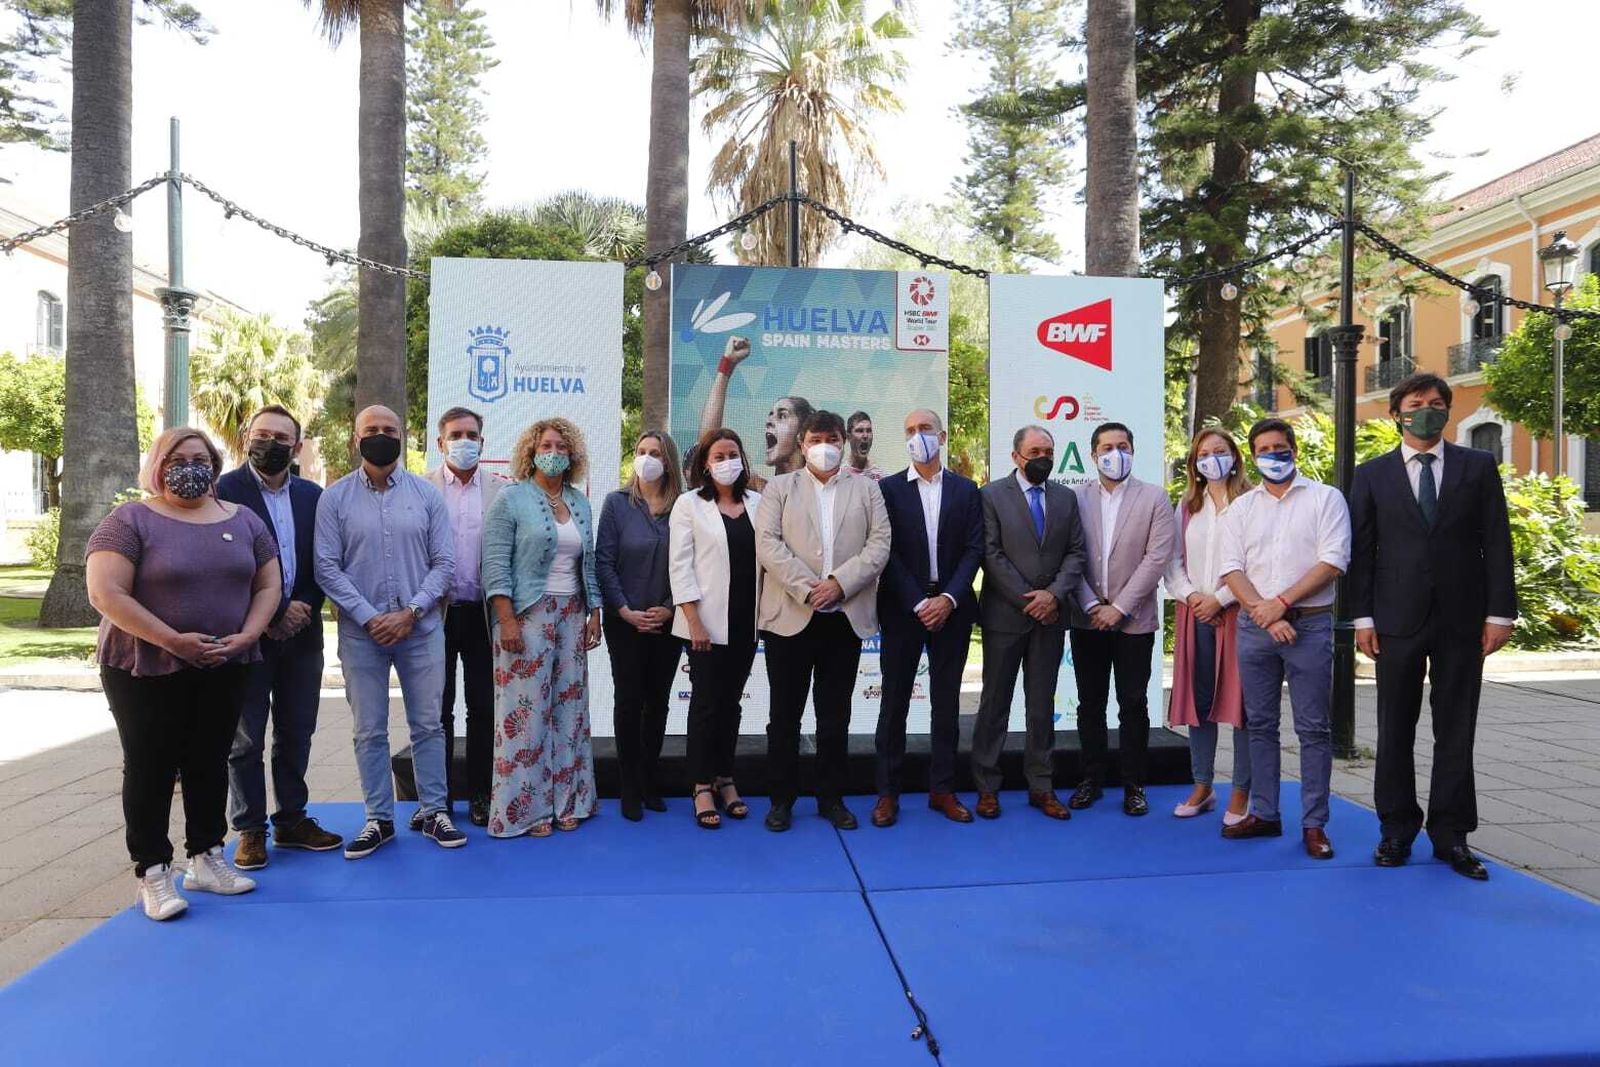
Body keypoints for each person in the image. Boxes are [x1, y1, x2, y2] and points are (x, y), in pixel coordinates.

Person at [86, 427, 281, 921]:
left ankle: (206, 856)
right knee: (150, 765)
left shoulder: (244, 520)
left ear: (214, 466)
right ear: (157, 465)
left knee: (209, 759)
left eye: (200, 458)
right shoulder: (129, 520)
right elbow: (106, 592)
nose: (189, 467)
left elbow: (268, 585)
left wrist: (249, 635)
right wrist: (173, 640)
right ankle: (153, 871)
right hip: (145, 664)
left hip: (224, 661)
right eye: (177, 459)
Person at [1351, 373, 1517, 881]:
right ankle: (1396, 829)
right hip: (1395, 621)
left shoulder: (1478, 466)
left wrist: (1500, 614)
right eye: (1417, 402)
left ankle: (1452, 835)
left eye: (1437, 402)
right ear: (1396, 413)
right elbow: (1362, 552)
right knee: (1394, 728)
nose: (1428, 409)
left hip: (1463, 620)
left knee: (1456, 729)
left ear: (1448, 410)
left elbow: (1497, 541)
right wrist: (1363, 618)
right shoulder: (1371, 475)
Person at [315, 405, 464, 858]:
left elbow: (445, 563)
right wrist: (368, 616)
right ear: (355, 437)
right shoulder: (334, 499)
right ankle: (378, 819)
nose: (381, 435)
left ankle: (434, 811)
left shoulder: (427, 495)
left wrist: (411, 612)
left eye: (389, 429)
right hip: (362, 635)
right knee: (369, 730)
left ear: (403, 436)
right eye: (372, 429)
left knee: (429, 725)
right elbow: (326, 566)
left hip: (421, 629)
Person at [1219, 417, 1351, 859]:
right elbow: (1231, 569)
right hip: (1254, 628)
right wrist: (1265, 612)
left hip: (1309, 626)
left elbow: (1332, 561)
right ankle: (1265, 813)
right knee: (1259, 725)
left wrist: (1281, 602)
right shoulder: (1242, 508)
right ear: (1252, 456)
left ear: (1294, 449)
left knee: (1313, 729)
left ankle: (1314, 824)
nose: (1272, 455)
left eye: (1280, 447)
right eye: (1263, 450)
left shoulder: (1326, 499)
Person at [218, 405, 342, 871]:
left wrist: (303, 604)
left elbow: (325, 560)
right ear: (247, 438)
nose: (270, 444)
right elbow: (222, 567)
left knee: (297, 731)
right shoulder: (223, 491)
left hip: (302, 633)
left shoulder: (314, 496)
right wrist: (270, 613)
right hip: (247, 634)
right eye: (262, 434)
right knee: (245, 737)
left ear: (297, 446)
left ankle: (292, 818)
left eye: (281, 438)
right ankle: (250, 829)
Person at [756, 410, 891, 831]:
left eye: (832, 439)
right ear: (802, 444)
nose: (824, 447)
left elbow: (879, 544)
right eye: (816, 439)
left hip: (843, 617)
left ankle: (831, 798)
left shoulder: (867, 490)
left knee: (835, 716)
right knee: (784, 716)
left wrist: (838, 584)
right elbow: (768, 543)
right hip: (790, 616)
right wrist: (808, 588)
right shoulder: (779, 488)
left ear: (843, 443)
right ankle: (781, 800)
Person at [482, 417, 602, 837]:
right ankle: (526, 811)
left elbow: (589, 563)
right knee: (525, 714)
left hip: (572, 613)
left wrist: (595, 611)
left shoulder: (580, 502)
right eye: (546, 446)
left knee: (570, 711)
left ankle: (568, 802)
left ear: (572, 455)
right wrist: (506, 620)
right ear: (531, 453)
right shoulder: (510, 499)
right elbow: (494, 564)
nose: (553, 453)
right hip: (525, 616)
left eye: (561, 447)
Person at [872, 409, 983, 827]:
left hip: (953, 610)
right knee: (894, 703)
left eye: (925, 429)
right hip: (903, 609)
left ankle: (943, 790)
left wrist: (949, 598)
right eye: (910, 430)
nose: (917, 436)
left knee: (946, 704)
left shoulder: (966, 490)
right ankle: (888, 793)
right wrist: (919, 602)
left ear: (943, 436)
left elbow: (975, 548)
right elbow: (886, 550)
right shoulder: (887, 490)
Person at [970, 425, 1087, 820]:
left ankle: (1042, 786)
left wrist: (1052, 596)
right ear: (1016, 456)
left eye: (1048, 452)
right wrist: (1029, 599)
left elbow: (1076, 552)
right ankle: (987, 787)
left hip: (1051, 617)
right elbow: (990, 554)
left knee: (1040, 706)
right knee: (994, 704)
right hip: (1005, 616)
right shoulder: (990, 495)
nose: (1043, 459)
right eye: (1035, 451)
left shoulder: (1066, 498)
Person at [1067, 422, 1176, 817]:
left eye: (1124, 446)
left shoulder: (1155, 497)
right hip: (1087, 619)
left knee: (1133, 703)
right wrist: (1091, 605)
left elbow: (1156, 558)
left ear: (1133, 450)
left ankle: (1134, 785)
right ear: (1093, 455)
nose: (1116, 453)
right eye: (1108, 447)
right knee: (1090, 703)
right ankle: (1091, 779)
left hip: (1134, 621)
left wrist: (1120, 607)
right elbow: (1070, 555)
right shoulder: (1075, 498)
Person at [670, 428, 763, 829]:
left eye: (733, 454)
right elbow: (680, 565)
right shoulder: (689, 504)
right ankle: (700, 784)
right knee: (706, 704)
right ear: (705, 465)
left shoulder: (759, 503)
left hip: (747, 622)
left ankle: (726, 777)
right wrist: (693, 620)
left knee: (731, 705)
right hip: (704, 623)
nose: (727, 462)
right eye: (719, 456)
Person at [1164, 427, 1253, 824]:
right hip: (1195, 612)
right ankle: (1203, 785)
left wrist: (1221, 598)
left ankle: (1241, 790)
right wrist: (1193, 597)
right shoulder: (1187, 506)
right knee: (1200, 703)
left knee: (1242, 704)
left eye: (1219, 451)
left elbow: (1257, 562)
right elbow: (1172, 561)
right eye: (1203, 454)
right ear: (1194, 464)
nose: (1211, 459)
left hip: (1240, 612)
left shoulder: (1252, 502)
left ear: (1234, 457)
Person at [425, 406, 508, 829]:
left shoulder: (501, 490)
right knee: (437, 712)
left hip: (482, 616)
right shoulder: (421, 489)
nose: (464, 442)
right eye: (455, 435)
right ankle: (436, 801)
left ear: (482, 442)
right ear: (440, 443)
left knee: (483, 709)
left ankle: (481, 794)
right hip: (434, 617)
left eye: (471, 435)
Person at [597, 430, 684, 821]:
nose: (647, 458)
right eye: (641, 451)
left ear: (669, 461)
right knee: (629, 700)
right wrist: (625, 610)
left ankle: (651, 779)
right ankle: (629, 784)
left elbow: (691, 564)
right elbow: (604, 562)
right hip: (625, 623)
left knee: (658, 701)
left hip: (668, 621)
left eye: (656, 453)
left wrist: (668, 608)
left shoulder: (684, 506)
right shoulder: (617, 503)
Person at [692, 334, 813, 477]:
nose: (769, 421)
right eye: (771, 415)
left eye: (782, 415)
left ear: (802, 435)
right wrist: (727, 364)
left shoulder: (823, 486)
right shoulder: (758, 488)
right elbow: (708, 444)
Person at [847, 411, 885, 481]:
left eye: (869, 430)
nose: (865, 435)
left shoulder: (881, 477)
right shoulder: (839, 475)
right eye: (860, 431)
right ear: (848, 437)